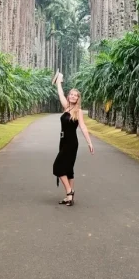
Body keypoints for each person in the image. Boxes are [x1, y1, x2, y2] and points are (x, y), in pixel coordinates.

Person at [51, 72, 94, 206]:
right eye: (72, 94)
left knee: (57, 167)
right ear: (69, 96)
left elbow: (83, 127)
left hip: (71, 143)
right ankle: (69, 198)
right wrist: (59, 81)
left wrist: (89, 143)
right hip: (63, 141)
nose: (73, 96)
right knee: (68, 169)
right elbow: (60, 93)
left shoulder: (78, 111)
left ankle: (70, 192)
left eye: (76, 95)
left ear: (78, 98)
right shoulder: (66, 107)